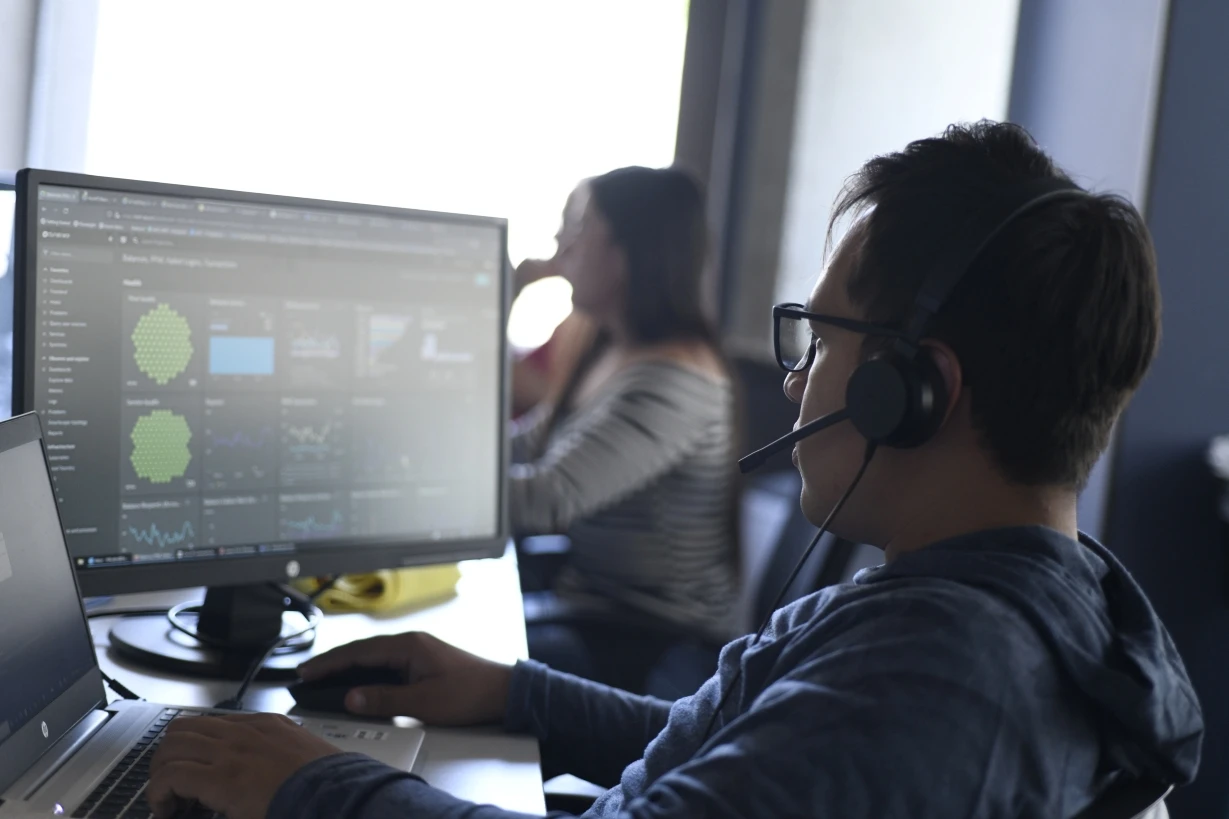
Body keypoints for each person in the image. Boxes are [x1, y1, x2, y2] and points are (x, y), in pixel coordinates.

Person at [146, 122, 1203, 818]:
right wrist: (515, 693)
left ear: (910, 388)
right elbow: (749, 753)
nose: (793, 383)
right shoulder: (1012, 594)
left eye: (816, 338)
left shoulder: (943, 677)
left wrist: (319, 790)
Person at [508, 167, 740, 694]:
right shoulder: (607, 348)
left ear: (629, 249)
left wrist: (419, 492)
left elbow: (548, 497)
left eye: (578, 225)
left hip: (654, 644)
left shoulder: (676, 378)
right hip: (589, 611)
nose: (560, 244)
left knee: (449, 657)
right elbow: (525, 444)